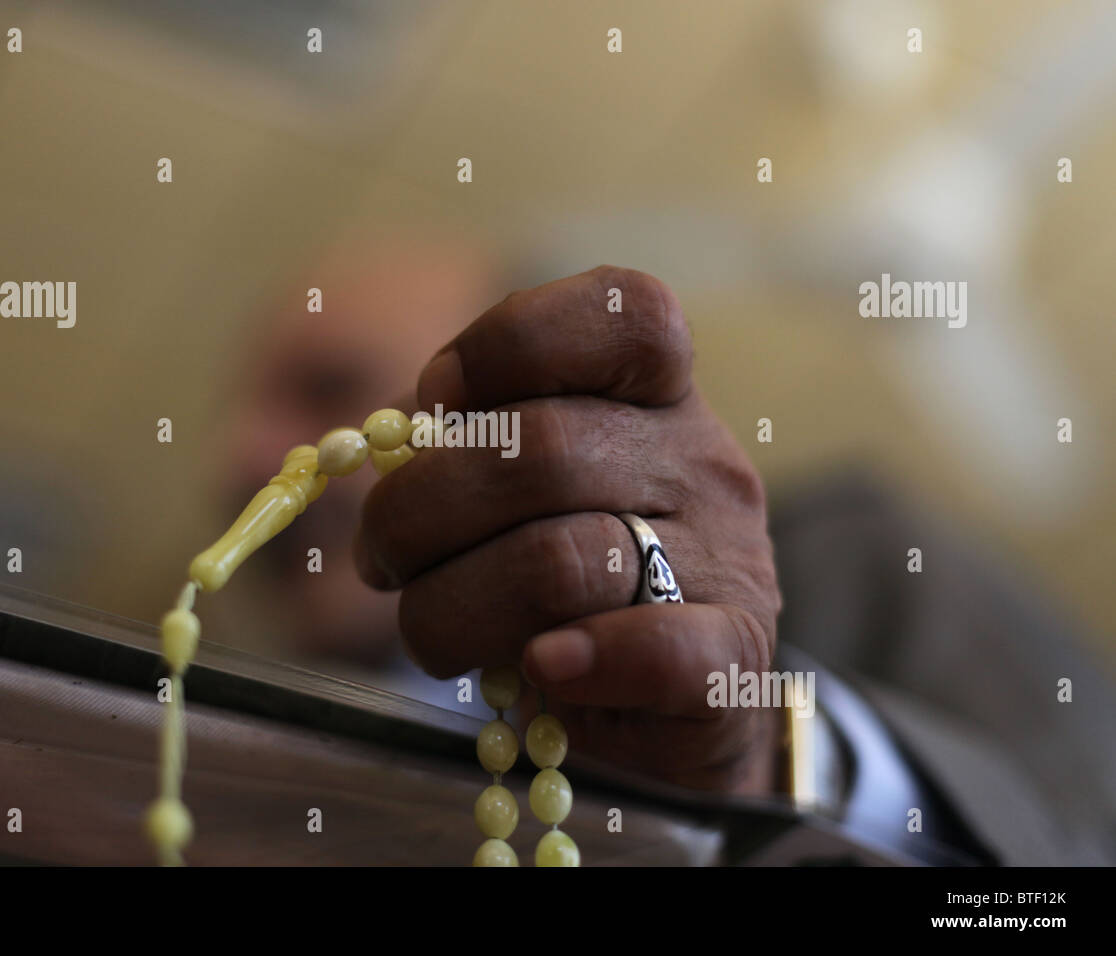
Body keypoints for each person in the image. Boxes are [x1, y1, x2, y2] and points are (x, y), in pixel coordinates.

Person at [214, 234, 1116, 865]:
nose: (249, 459)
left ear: (534, 399)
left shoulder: (865, 560)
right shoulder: (236, 762)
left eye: (332, 389)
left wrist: (774, 749)